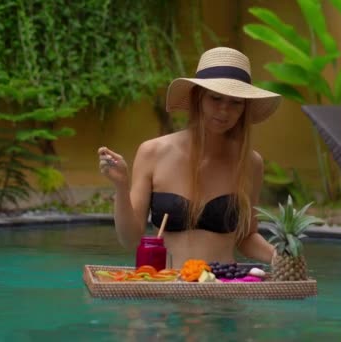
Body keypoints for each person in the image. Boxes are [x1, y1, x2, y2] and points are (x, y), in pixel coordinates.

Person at [97, 47, 282, 268]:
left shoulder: (250, 163)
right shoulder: (153, 152)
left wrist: (278, 256)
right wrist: (121, 186)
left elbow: (246, 237)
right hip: (165, 290)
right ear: (198, 98)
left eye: (236, 102)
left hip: (222, 290)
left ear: (245, 108)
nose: (224, 110)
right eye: (215, 98)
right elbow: (130, 239)